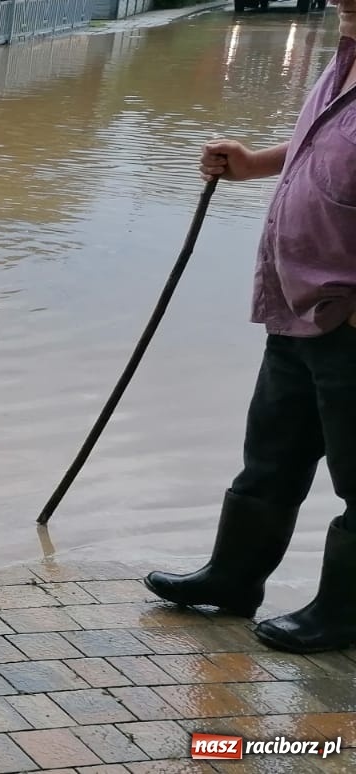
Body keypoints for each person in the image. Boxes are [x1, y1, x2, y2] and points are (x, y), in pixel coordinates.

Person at [143, 0, 356, 654]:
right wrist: (254, 163)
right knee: (270, 459)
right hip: (297, 305)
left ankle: (343, 616)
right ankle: (232, 581)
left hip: (348, 318)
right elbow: (324, 149)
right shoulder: (343, 61)